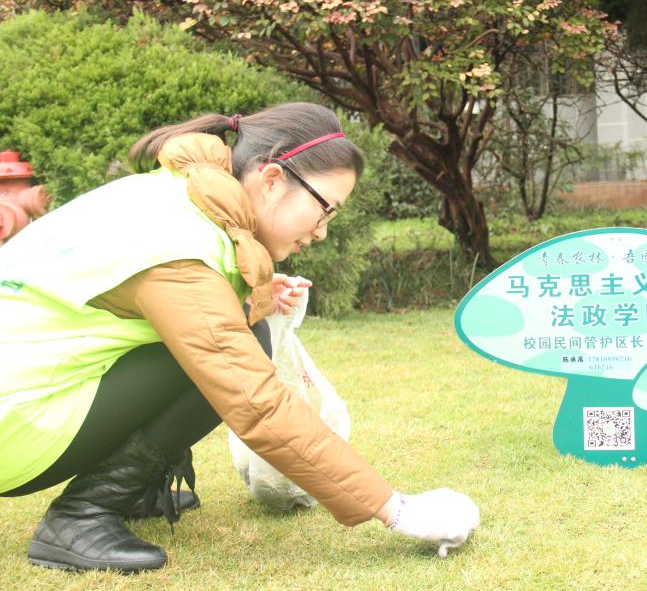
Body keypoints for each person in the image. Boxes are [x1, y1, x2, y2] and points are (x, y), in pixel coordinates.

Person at [0, 102, 479, 573]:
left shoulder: (175, 196)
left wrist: (251, 294)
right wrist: (396, 509)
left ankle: (128, 489)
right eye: (324, 210)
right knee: (243, 352)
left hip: (23, 396)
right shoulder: (177, 247)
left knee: (244, 335)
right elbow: (256, 403)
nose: (321, 233)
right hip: (15, 424)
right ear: (272, 179)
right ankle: (82, 513)